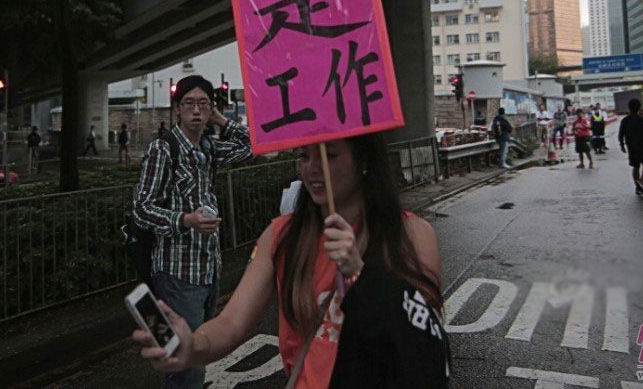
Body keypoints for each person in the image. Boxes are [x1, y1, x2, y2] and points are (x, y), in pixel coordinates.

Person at [134, 134, 448, 388]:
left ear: (364, 160)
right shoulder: (281, 235)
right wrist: (191, 346)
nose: (312, 168)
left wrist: (360, 275)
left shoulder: (412, 234)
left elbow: (425, 342)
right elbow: (231, 323)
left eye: (329, 155)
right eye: (303, 155)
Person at [132, 75, 252, 389]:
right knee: (185, 369)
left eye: (203, 104)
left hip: (208, 268)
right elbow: (141, 208)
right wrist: (186, 220)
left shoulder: (208, 148)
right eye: (188, 104)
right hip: (176, 271)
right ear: (177, 110)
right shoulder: (163, 148)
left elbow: (251, 144)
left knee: (198, 357)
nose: (195, 111)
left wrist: (219, 117)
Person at [618, 98, 643, 197]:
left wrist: (622, 145)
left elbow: (621, 134)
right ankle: (641, 181)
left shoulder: (625, 120)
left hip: (631, 147)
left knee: (636, 166)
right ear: (639, 107)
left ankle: (637, 187)